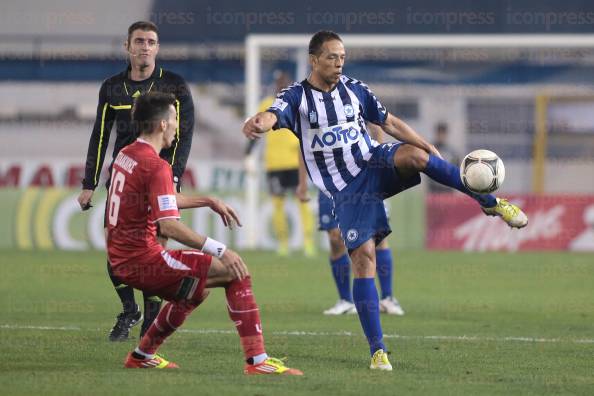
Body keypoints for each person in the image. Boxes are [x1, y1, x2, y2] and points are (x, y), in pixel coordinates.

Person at [243, 30, 528, 371]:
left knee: (417, 157)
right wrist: (259, 122)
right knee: (364, 260)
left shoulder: (355, 89)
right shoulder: (296, 97)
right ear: (314, 59)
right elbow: (272, 115)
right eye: (332, 57)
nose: (339, 63)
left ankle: (491, 202)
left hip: (373, 162)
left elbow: (389, 122)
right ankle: (377, 352)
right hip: (347, 189)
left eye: (343, 57)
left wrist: (427, 147)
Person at [108, 92, 302, 375]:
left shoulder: (128, 155)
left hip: (122, 260)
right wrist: (220, 248)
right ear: (162, 124)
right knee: (234, 271)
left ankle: (142, 355)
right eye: (174, 119)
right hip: (143, 260)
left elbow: (162, 197)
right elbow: (169, 225)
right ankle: (258, 361)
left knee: (197, 290)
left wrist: (207, 200)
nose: (177, 126)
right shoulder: (157, 165)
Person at [77, 21, 195, 341]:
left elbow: (183, 134)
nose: (145, 46)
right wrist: (89, 182)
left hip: (159, 177)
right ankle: (130, 309)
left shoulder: (174, 85)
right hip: (124, 177)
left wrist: (172, 175)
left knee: (156, 251)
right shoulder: (112, 87)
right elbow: (100, 136)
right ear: (127, 46)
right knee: (116, 252)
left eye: (151, 42)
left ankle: (151, 320)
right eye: (139, 41)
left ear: (157, 48)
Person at [318, 124, 404, 316]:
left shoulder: (353, 95)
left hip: (361, 175)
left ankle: (388, 298)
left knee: (377, 236)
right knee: (334, 238)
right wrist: (302, 182)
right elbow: (303, 143)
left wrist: (380, 167)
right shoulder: (309, 102)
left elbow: (378, 125)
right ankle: (345, 301)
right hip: (329, 179)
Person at [246, 71, 315, 256]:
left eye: (284, 82)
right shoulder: (266, 105)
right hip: (274, 164)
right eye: (278, 82)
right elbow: (256, 130)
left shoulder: (296, 104)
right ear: (275, 85)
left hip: (295, 163)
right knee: (277, 204)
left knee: (302, 201)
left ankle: (308, 242)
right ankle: (283, 243)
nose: (281, 85)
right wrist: (249, 155)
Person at [428, 122, 461, 193]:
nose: (441, 136)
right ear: (436, 134)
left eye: (443, 133)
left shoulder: (452, 152)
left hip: (448, 188)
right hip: (434, 188)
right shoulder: (430, 150)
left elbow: (457, 169)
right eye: (439, 133)